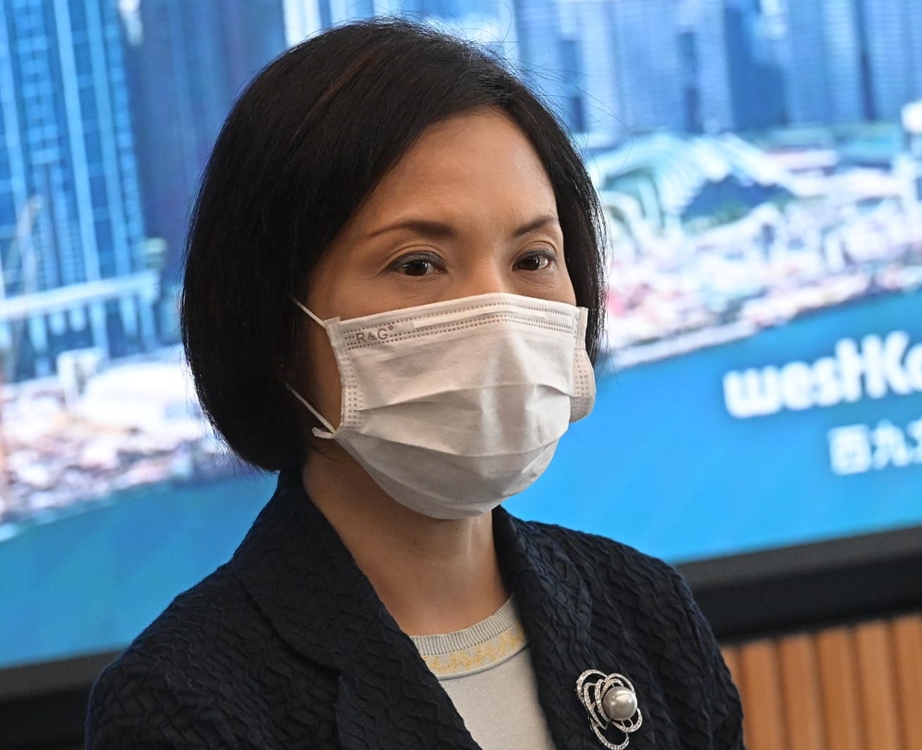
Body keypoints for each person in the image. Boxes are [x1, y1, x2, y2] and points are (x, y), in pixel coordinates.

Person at [86, 18, 744, 750]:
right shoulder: (184, 701)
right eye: (418, 264)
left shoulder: (646, 610)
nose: (497, 315)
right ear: (273, 324)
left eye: (532, 259)